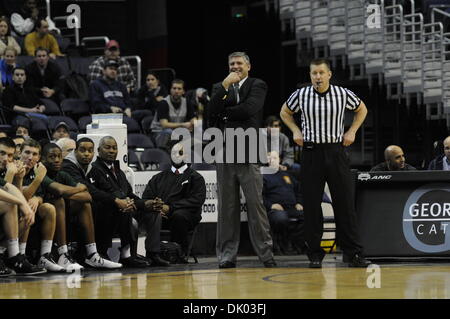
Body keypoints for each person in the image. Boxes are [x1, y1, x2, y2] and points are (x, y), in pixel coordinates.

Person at [280, 58, 370, 268]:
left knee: (345, 204)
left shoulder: (342, 93)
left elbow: (362, 109)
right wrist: (295, 130)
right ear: (310, 75)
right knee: (311, 205)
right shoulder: (301, 94)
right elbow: (285, 111)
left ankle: (353, 253)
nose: (317, 77)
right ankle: (314, 254)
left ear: (329, 74)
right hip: (311, 153)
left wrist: (352, 131)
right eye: (314, 73)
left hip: (336, 151)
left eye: (321, 73)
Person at [209, 51, 276, 268]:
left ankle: (266, 255)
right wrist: (225, 87)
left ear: (248, 66)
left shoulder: (258, 84)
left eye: (239, 63)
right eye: (231, 63)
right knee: (226, 208)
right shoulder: (220, 87)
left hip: (249, 150)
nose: (235, 66)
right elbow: (211, 113)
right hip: (224, 151)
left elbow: (250, 110)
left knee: (256, 205)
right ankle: (226, 256)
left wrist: (224, 114)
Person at [68, 136, 154, 267]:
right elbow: (106, 192)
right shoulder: (95, 169)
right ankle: (104, 252)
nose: (111, 151)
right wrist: (122, 201)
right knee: (119, 209)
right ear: (99, 150)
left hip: (119, 206)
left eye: (114, 148)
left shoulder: (119, 172)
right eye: (107, 147)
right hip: (102, 210)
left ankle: (145, 254)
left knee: (152, 212)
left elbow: (129, 193)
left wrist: (145, 203)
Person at [40, 143, 123, 270]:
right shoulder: (40, 172)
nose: (56, 160)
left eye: (59, 156)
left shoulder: (62, 174)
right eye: (52, 157)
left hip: (60, 213)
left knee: (84, 204)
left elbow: (87, 196)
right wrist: (71, 191)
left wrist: (66, 193)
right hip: (43, 214)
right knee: (59, 201)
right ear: (43, 159)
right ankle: (62, 254)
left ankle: (92, 254)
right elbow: (60, 190)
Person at [141, 140, 206, 261]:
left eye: (180, 152)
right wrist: (156, 207)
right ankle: (152, 254)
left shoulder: (196, 177)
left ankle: (178, 254)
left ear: (186, 155)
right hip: (162, 215)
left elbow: (196, 200)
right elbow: (146, 198)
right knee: (151, 215)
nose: (176, 155)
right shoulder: (158, 178)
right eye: (173, 152)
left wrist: (170, 208)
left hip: (186, 216)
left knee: (178, 216)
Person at [0, 137, 45, 276]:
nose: (6, 159)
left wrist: (25, 204)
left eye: (9, 155)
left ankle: (13, 255)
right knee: (12, 204)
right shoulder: (10, 168)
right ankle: (14, 255)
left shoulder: (18, 167)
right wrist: (22, 202)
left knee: (26, 210)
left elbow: (8, 187)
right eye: (2, 153)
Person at [263, 151, 305, 254]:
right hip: (275, 209)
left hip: (292, 207)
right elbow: (259, 196)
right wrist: (271, 205)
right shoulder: (263, 175)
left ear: (280, 160)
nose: (272, 160)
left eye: (274, 158)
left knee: (309, 217)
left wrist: (299, 202)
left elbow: (298, 190)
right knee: (280, 218)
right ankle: (283, 244)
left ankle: (295, 242)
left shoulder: (286, 175)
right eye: (269, 158)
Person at [150, 79, 196, 149]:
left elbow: (193, 118)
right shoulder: (164, 103)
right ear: (170, 90)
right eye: (174, 88)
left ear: (183, 91)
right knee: (169, 132)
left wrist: (194, 123)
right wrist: (183, 125)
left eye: (179, 89)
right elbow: (164, 125)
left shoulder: (187, 102)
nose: (176, 91)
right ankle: (164, 153)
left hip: (176, 132)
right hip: (159, 132)